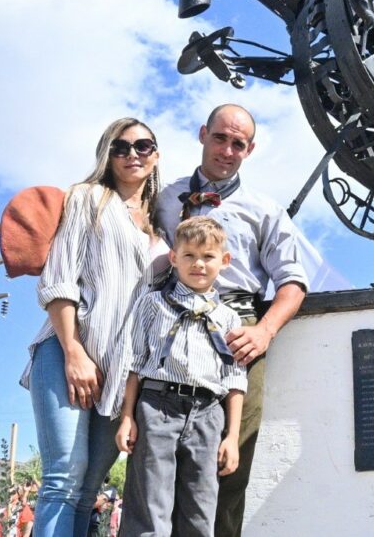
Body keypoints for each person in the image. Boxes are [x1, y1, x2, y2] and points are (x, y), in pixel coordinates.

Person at [156, 104, 309, 537]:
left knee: (231, 457)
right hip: (172, 327)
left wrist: (264, 330)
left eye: (238, 143)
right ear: (203, 134)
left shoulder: (265, 211)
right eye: (220, 137)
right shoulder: (165, 199)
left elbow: (293, 282)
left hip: (237, 330)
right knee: (158, 458)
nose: (227, 149)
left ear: (250, 149)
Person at [21, 117, 171, 537]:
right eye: (120, 148)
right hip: (69, 348)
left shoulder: (162, 223)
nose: (132, 155)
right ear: (108, 155)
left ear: (156, 155)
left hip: (122, 370)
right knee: (64, 476)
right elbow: (60, 277)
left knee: (89, 489)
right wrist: (73, 351)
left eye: (143, 146)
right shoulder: (89, 198)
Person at [117, 216, 248, 536]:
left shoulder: (229, 318)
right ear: (173, 258)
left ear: (224, 261)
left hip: (207, 413)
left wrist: (231, 436)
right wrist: (127, 417)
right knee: (150, 504)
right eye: (189, 255)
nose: (198, 264)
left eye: (208, 256)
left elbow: (234, 379)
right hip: (156, 406)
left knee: (200, 509)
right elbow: (134, 362)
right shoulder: (153, 304)